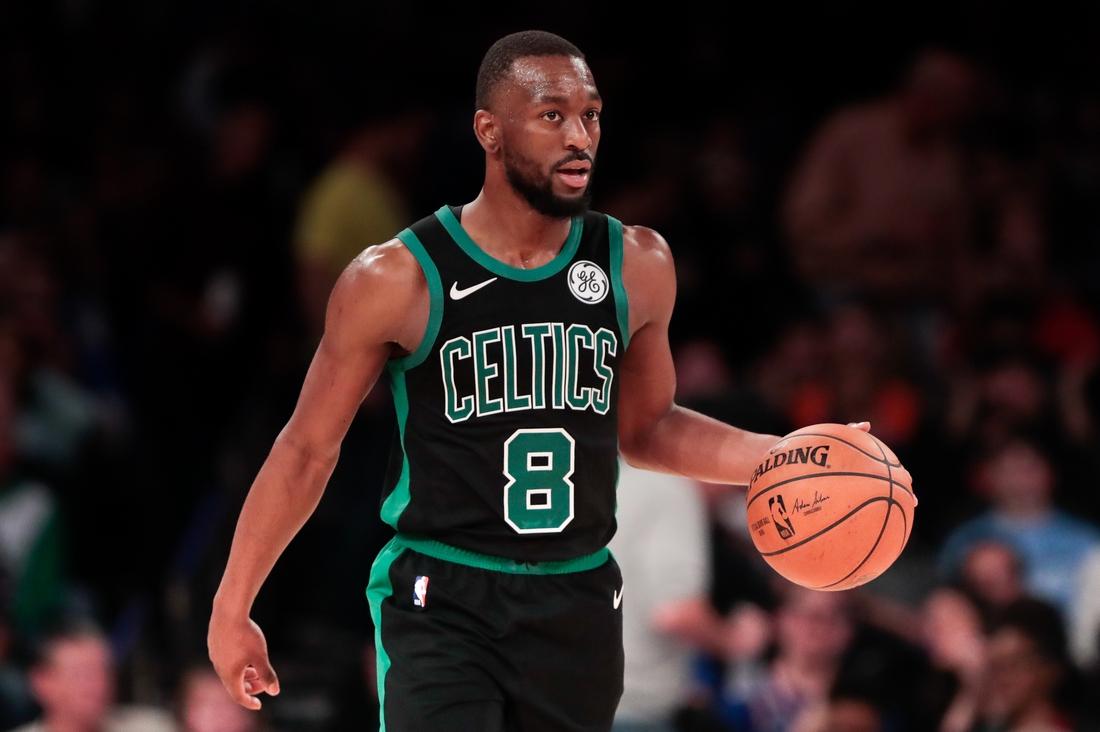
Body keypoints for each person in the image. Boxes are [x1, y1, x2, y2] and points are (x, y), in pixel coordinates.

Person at [206, 30, 863, 732]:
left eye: (592, 114)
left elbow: (648, 429)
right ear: (488, 130)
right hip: (443, 593)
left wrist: (778, 454)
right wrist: (232, 604)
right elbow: (305, 450)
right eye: (553, 115)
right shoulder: (395, 278)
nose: (579, 135)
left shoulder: (635, 263)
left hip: (575, 594)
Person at [13, 623, 176, 732]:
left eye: (104, 670)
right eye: (81, 673)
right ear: (41, 682)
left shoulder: (152, 726)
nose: (97, 684)